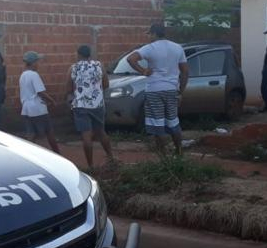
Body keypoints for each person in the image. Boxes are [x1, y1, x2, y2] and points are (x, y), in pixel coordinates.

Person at [126, 23, 189, 155]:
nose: (149, 36)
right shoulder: (177, 48)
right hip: (172, 89)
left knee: (157, 124)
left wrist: (143, 71)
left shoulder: (149, 48)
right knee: (173, 122)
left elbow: (131, 59)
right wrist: (180, 92)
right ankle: (179, 153)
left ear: (154, 33)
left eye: (150, 34)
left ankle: (163, 157)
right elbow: (185, 72)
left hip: (154, 89)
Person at [66, 45, 115, 168]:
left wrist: (76, 95)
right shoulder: (99, 65)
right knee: (101, 132)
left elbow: (68, 89)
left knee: (86, 135)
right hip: (97, 104)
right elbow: (106, 84)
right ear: (90, 54)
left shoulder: (73, 68)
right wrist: (96, 92)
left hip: (81, 105)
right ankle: (110, 157)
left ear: (78, 55)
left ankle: (90, 165)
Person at [19, 51, 61, 154]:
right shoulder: (34, 75)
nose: (39, 64)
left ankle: (31, 156)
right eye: (37, 62)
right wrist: (52, 101)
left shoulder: (22, 75)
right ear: (33, 63)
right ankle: (58, 155)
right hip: (38, 109)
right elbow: (41, 92)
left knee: (31, 134)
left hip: (26, 109)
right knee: (49, 132)